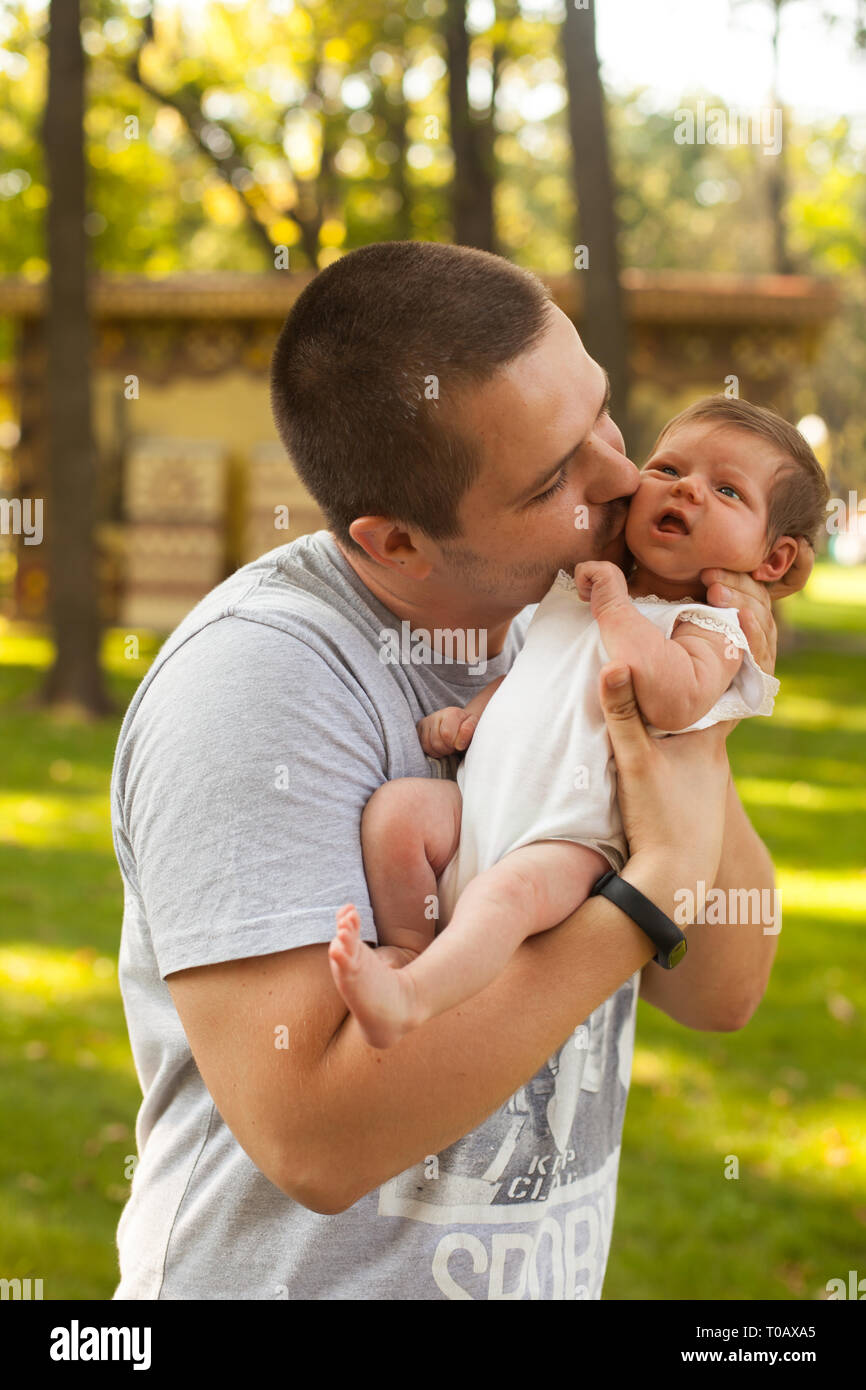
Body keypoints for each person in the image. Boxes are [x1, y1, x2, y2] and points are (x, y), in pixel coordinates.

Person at [110, 241, 811, 1301]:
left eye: (602, 416)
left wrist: (698, 714)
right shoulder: (258, 685)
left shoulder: (567, 612)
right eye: (555, 478)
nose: (623, 477)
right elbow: (319, 1143)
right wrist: (649, 882)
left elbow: (719, 988)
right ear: (396, 542)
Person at [328, 397, 829, 1050]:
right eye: (668, 467)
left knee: (503, 899)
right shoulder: (579, 589)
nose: (687, 488)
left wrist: (617, 607)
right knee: (397, 814)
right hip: (478, 805)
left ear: (773, 560)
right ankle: (406, 949)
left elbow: (675, 697)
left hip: (571, 840)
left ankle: (413, 999)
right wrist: (475, 715)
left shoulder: (714, 627)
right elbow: (542, 676)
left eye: (727, 489)